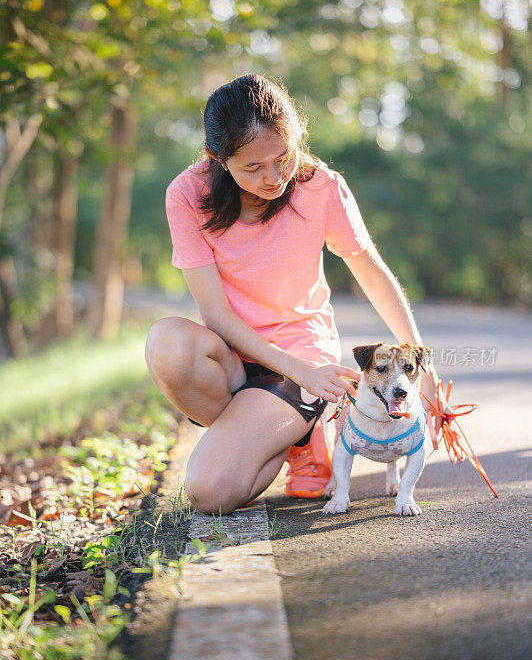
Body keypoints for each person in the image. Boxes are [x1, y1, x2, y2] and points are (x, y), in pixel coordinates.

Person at [145, 73, 444, 515]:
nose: (274, 177)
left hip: (302, 359)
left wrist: (429, 372)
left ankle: (291, 427)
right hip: (236, 355)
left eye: (283, 157)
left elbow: (374, 276)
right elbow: (217, 315)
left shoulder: (321, 187)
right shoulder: (188, 194)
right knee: (166, 343)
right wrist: (295, 376)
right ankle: (293, 434)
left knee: (207, 493)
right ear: (217, 158)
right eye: (252, 167)